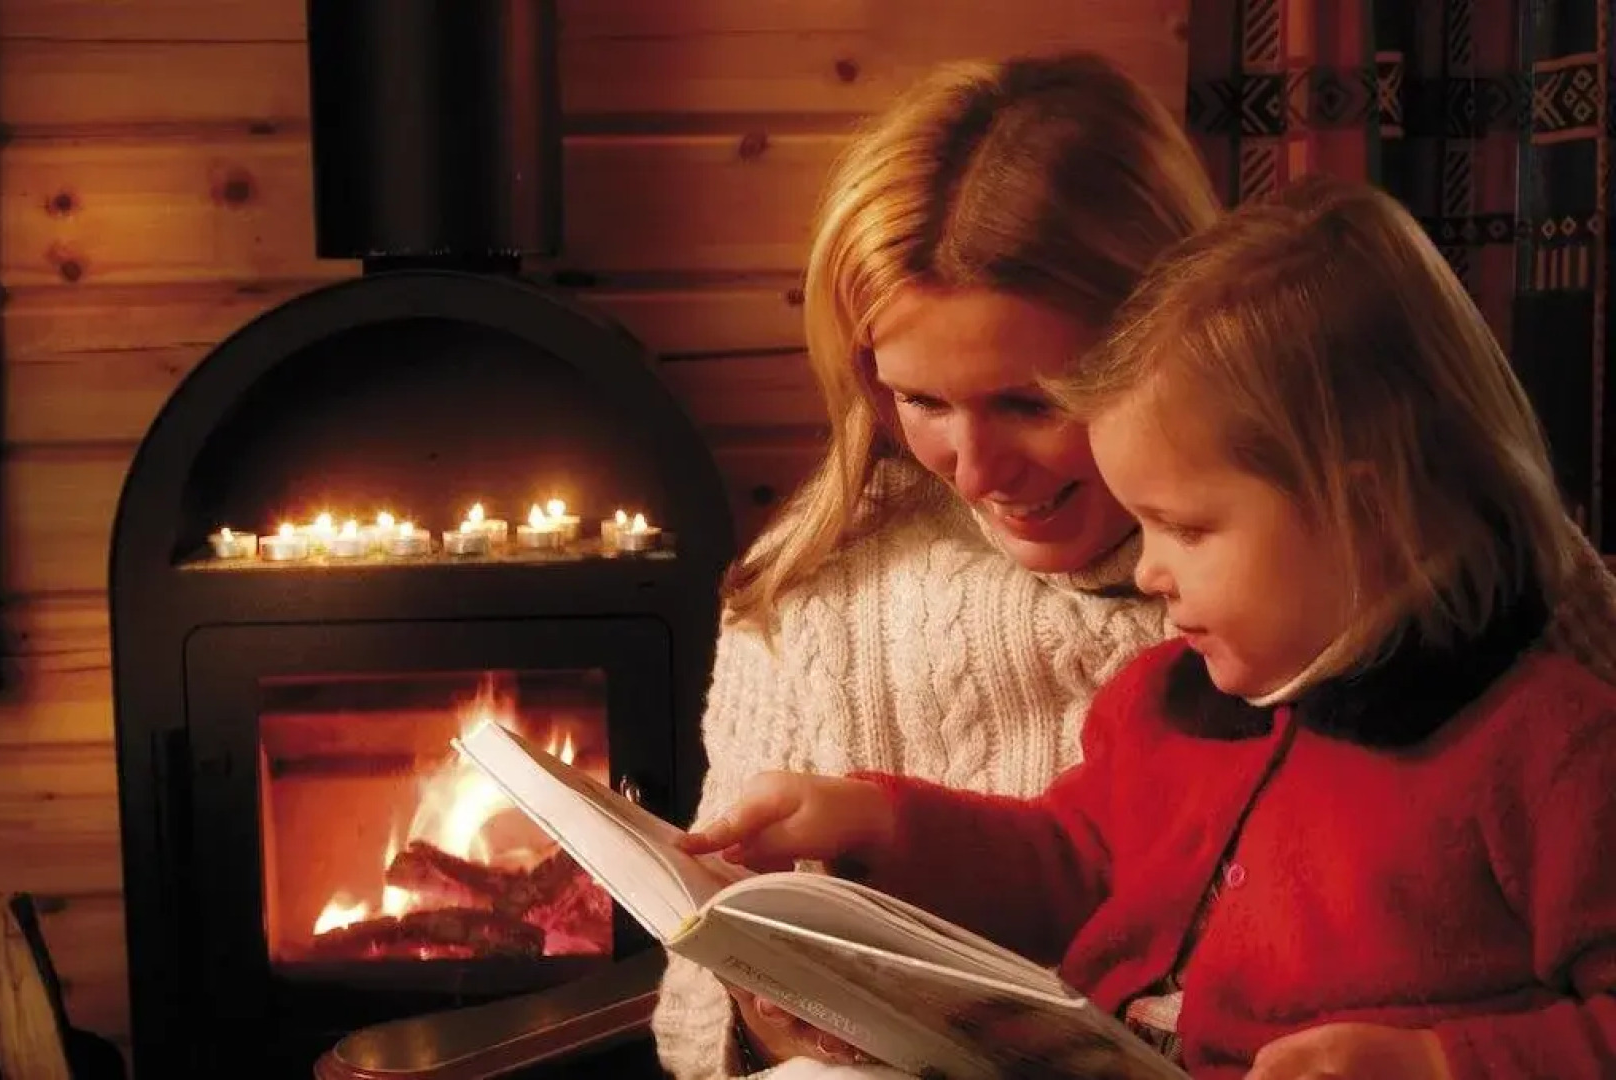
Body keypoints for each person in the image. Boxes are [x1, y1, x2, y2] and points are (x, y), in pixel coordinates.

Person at [679, 177, 1616, 1080]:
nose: (1147, 568)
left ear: (1366, 513)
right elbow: (1071, 867)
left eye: (1186, 528)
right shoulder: (1165, 703)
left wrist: (1442, 1065)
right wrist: (879, 821)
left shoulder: (1553, 752)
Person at [649, 51, 1225, 1080]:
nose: (975, 467)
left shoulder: (1316, 567)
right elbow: (692, 1005)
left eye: (1032, 401)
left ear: (1169, 334)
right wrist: (767, 1022)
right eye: (920, 402)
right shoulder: (815, 587)